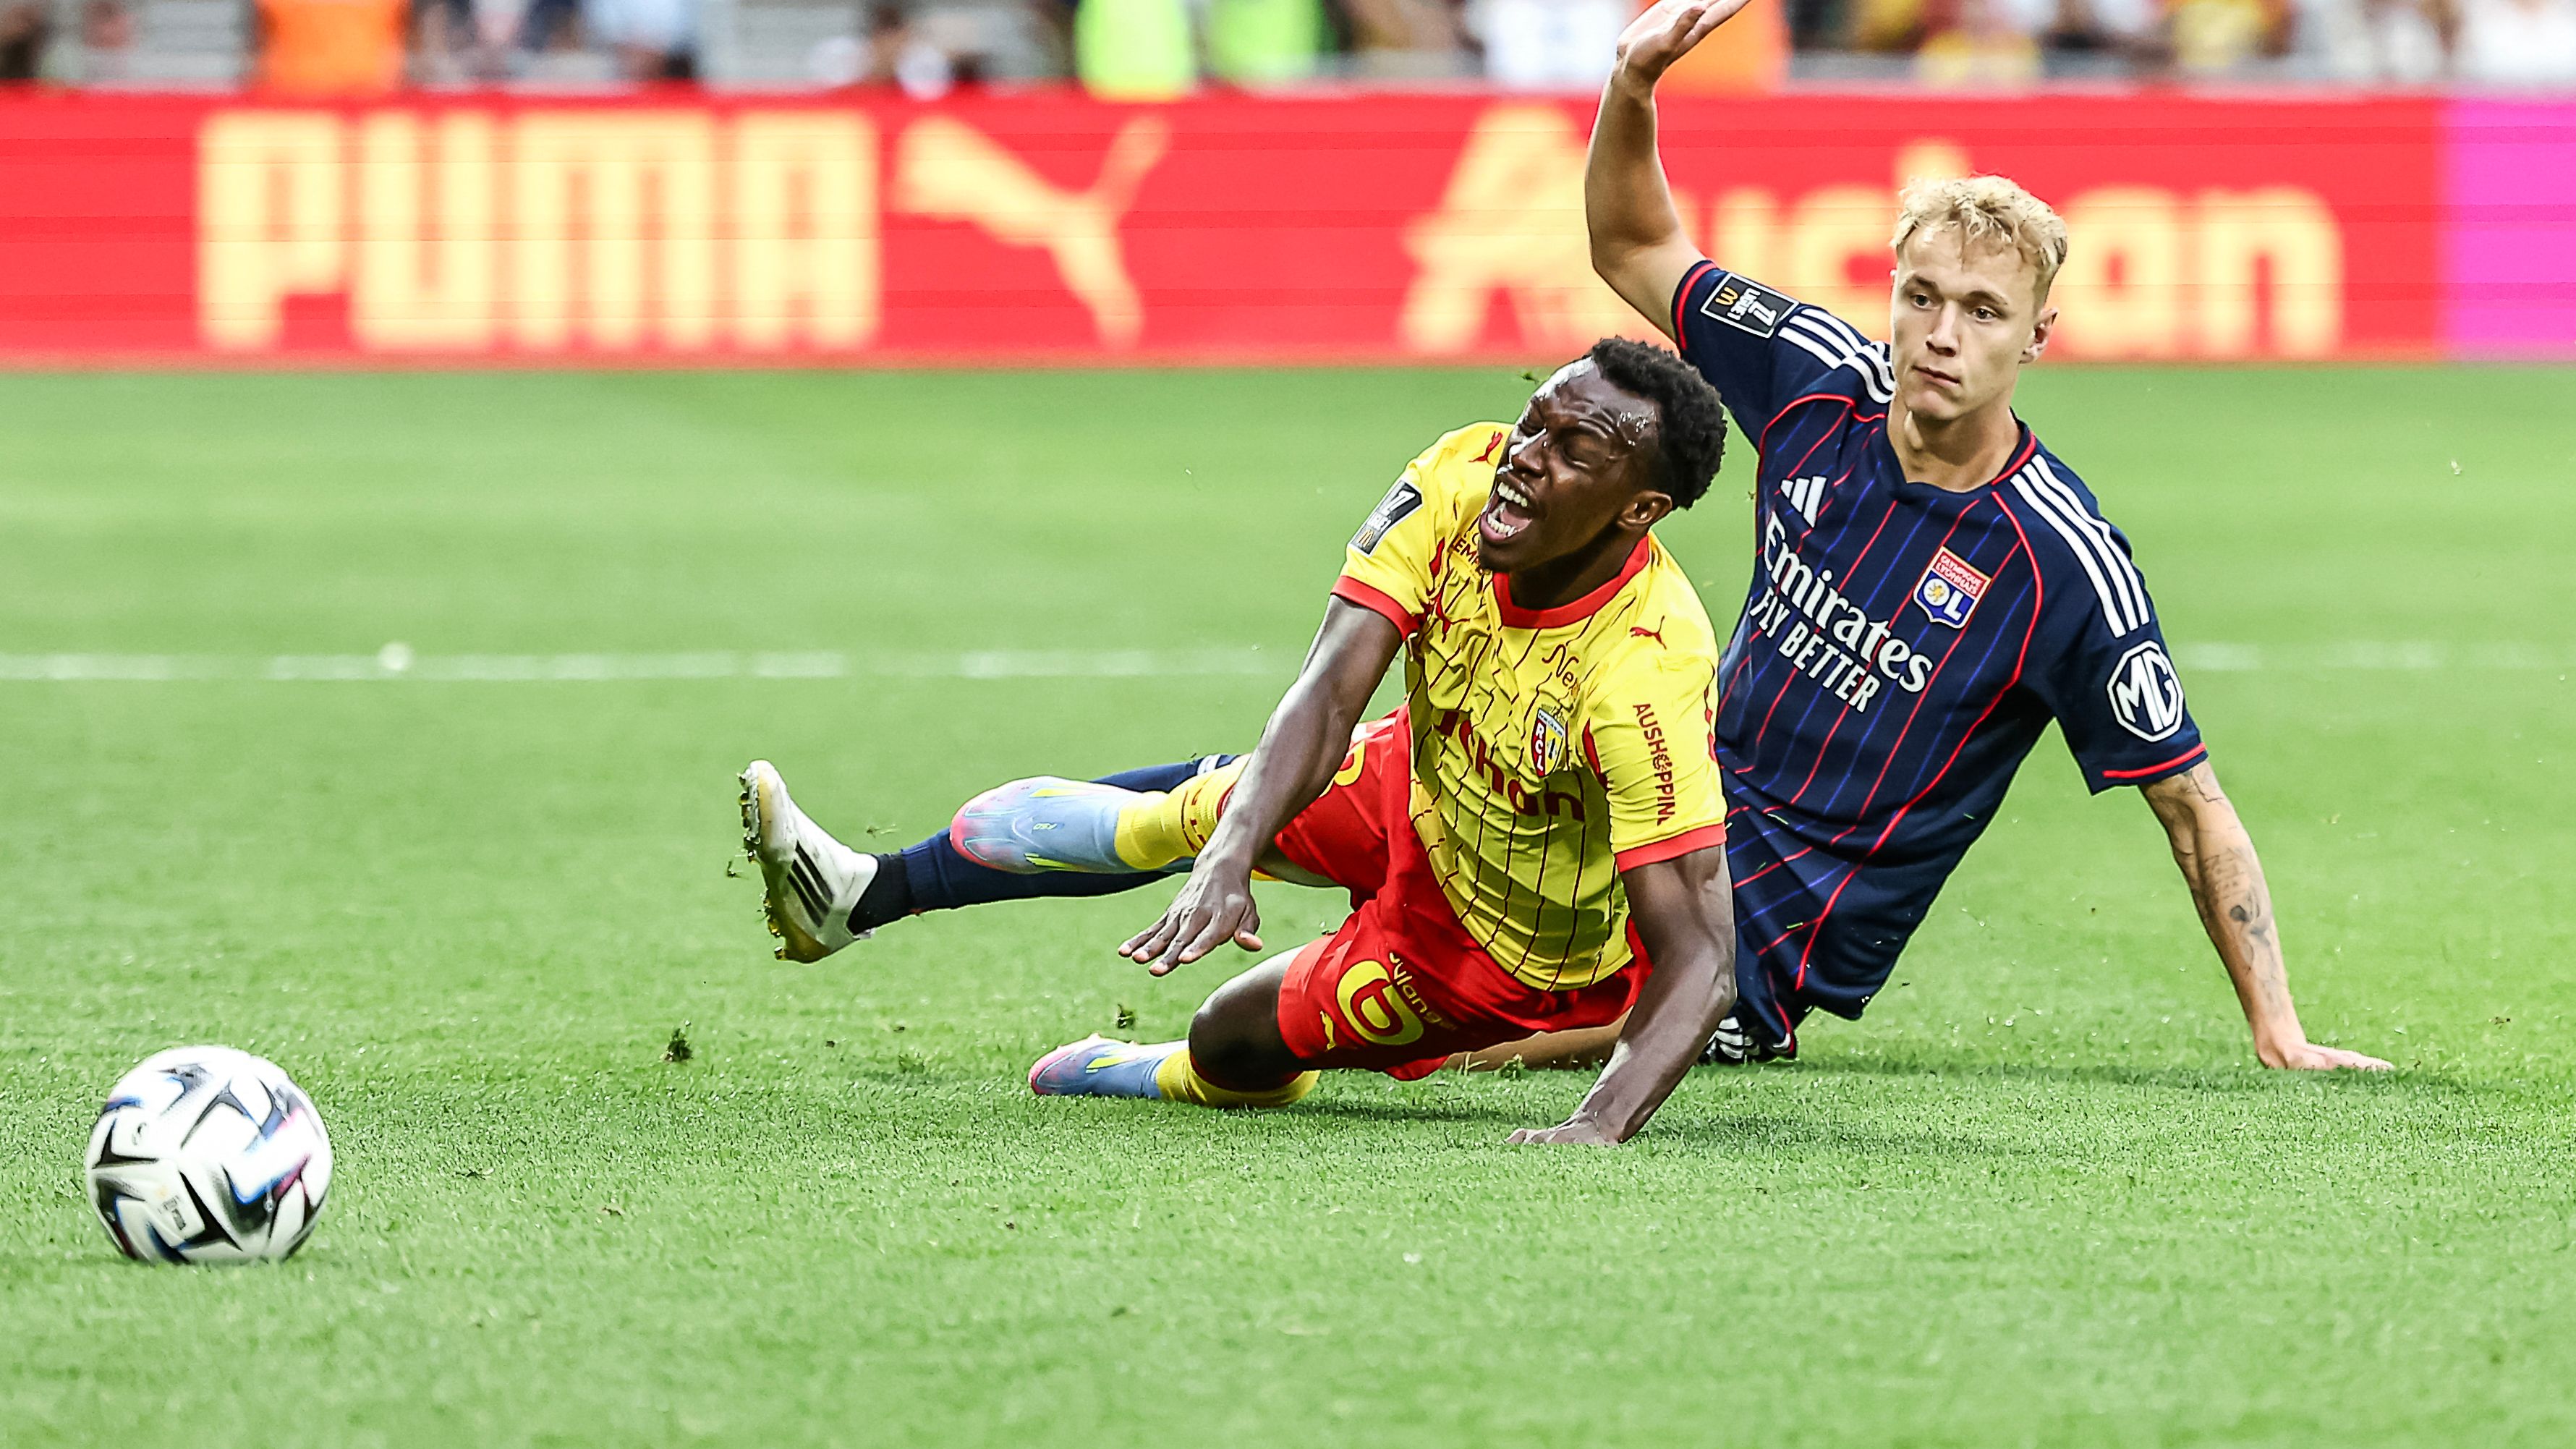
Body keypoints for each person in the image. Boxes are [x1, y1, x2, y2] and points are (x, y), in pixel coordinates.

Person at [1509, 0, 2389, 1072]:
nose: (1939, 335)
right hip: (1651, 807)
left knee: (1474, 1032)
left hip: (1757, 937)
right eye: (1920, 296)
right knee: (1418, 795)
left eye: (1980, 311)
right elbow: (1634, 243)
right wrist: (1632, 85)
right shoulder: (1813, 376)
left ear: (2036, 336)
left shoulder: (2059, 566)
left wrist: (2276, 1030)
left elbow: (2189, 805)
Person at [741, 339, 1743, 1145]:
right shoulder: (1460, 475)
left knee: (1230, 1037)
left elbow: (1699, 951)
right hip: (1415, 778)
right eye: (1538, 420)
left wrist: (1597, 1124)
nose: (1527, 454)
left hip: (1496, 939)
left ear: (1639, 510)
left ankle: (1153, 1068)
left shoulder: (1642, 672)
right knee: (1170, 820)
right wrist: (1227, 852)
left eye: (1576, 452)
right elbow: (1329, 689)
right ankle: (863, 893)